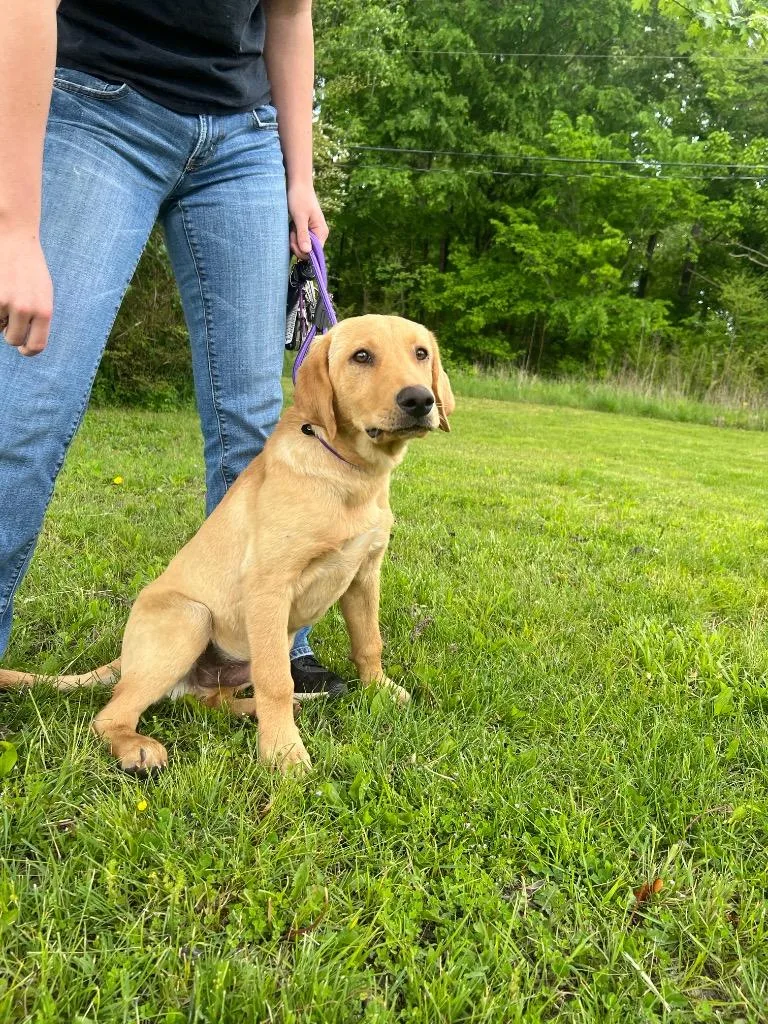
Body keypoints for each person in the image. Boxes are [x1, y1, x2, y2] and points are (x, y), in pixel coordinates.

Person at [0, 0, 347, 698]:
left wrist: (300, 176)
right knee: (28, 401)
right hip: (95, 103)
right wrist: (15, 230)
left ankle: (255, 653)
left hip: (244, 135)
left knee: (253, 421)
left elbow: (288, 15)